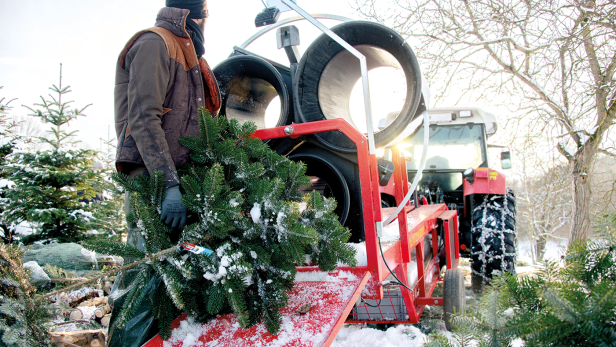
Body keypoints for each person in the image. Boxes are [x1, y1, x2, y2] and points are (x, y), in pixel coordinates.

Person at [109, 1, 220, 346]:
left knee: (177, 276)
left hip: (185, 184)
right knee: (145, 274)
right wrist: (169, 184)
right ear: (194, 13)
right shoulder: (155, 44)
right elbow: (143, 118)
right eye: (206, 11)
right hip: (153, 182)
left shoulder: (194, 59)